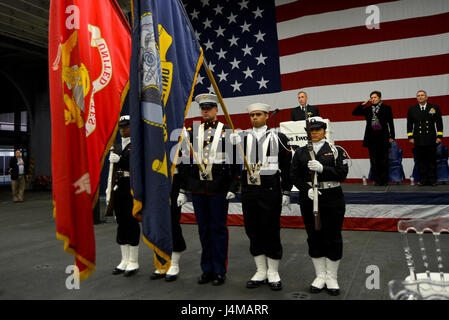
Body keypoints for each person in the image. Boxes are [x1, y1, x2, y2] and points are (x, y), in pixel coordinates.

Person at [177, 93, 239, 286]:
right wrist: (182, 188)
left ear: (216, 110)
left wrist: (233, 186)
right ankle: (207, 269)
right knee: (203, 230)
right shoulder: (193, 132)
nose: (205, 110)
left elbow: (235, 163)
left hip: (219, 188)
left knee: (218, 229)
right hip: (197, 188)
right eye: (203, 108)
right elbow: (185, 163)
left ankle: (219, 270)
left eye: (209, 107)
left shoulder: (227, 131)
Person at [235, 103, 292, 291]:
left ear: (267, 116)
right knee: (253, 230)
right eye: (251, 115)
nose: (254, 117)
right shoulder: (241, 138)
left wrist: (286, 191)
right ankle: (260, 270)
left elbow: (287, 167)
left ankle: (273, 272)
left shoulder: (279, 137)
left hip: (270, 191)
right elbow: (233, 165)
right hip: (250, 191)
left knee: (271, 230)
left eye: (258, 114)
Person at [290, 117, 348, 296]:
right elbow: (294, 175)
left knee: (333, 235)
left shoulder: (335, 150)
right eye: (311, 130)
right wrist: (306, 189)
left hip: (332, 197)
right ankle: (320, 275)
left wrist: (324, 169)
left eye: (317, 129)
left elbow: (342, 174)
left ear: (324, 131)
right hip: (309, 197)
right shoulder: (300, 152)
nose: (314, 132)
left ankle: (332, 277)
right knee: (314, 236)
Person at [107, 115, 141, 277]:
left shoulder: (137, 145)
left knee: (131, 221)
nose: (123, 129)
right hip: (119, 185)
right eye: (121, 127)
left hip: (131, 186)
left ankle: (133, 261)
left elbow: (135, 165)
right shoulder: (118, 146)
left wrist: (119, 160)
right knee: (120, 221)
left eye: (126, 126)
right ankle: (124, 260)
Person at [150, 165, 187, 282]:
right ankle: (162, 261)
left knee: (173, 223)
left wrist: (182, 190)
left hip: (173, 182)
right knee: (157, 224)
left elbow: (184, 165)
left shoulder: (179, 145)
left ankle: (174, 263)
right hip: (156, 181)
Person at [352, 91, 395, 186]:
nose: (373, 99)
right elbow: (355, 112)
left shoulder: (386, 108)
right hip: (371, 138)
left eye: (375, 97)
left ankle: (384, 180)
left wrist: (392, 136)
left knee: (384, 160)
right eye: (371, 97)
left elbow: (390, 123)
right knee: (374, 160)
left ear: (379, 98)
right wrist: (362, 104)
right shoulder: (367, 109)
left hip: (383, 137)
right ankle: (377, 180)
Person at [407, 90, 444, 186]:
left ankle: (432, 180)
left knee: (431, 160)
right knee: (420, 161)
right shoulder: (412, 109)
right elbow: (409, 124)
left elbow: (439, 122)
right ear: (416, 98)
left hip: (431, 138)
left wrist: (439, 136)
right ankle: (423, 180)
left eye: (422, 95)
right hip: (418, 138)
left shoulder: (434, 107)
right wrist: (410, 136)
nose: (420, 97)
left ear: (426, 97)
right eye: (418, 95)